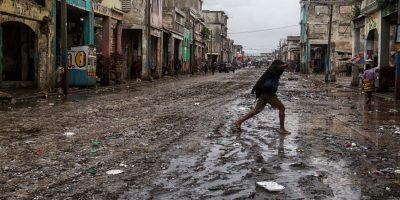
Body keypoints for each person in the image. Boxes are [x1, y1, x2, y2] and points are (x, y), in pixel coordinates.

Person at [234, 60, 289, 134]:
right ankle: (282, 129)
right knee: (282, 108)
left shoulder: (271, 71)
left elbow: (281, 68)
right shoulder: (273, 70)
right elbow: (281, 67)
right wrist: (287, 64)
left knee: (256, 110)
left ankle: (239, 122)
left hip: (263, 93)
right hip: (268, 94)